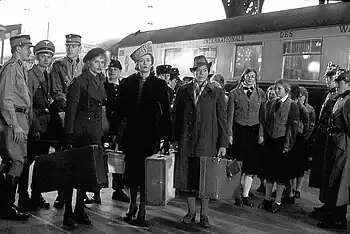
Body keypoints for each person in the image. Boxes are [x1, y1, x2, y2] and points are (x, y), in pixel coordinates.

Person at [116, 41, 172, 227]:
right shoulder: (127, 83)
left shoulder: (159, 84)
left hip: (150, 135)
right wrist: (117, 133)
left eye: (148, 60)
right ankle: (132, 205)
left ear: (152, 63)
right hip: (131, 135)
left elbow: (166, 112)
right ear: (137, 64)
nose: (145, 64)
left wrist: (167, 137)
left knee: (146, 174)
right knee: (132, 172)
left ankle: (142, 208)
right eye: (142, 61)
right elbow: (120, 110)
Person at [173, 55, 228, 228]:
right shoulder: (183, 90)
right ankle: (191, 212)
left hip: (207, 141)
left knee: (205, 178)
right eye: (198, 70)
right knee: (188, 178)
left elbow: (222, 119)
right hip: (187, 141)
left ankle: (204, 214)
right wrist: (174, 139)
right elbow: (177, 117)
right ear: (194, 72)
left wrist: (223, 144)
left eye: (204, 70)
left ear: (209, 72)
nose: (202, 73)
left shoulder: (217, 92)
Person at [62, 48, 108, 228]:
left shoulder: (99, 82)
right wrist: (69, 135)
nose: (100, 65)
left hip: (94, 133)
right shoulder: (79, 82)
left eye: (102, 62)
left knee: (86, 174)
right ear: (88, 63)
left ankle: (80, 209)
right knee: (72, 174)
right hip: (80, 134)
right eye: (96, 62)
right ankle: (68, 211)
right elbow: (71, 111)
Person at [17, 40, 56, 211]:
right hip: (35, 124)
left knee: (40, 161)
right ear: (37, 57)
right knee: (28, 161)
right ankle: (24, 196)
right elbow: (28, 103)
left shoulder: (48, 74)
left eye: (49, 56)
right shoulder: (31, 75)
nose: (46, 59)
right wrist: (35, 127)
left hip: (45, 124)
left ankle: (36, 193)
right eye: (43, 56)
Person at [0, 35, 33, 221]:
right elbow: (6, 99)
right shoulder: (12, 68)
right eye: (27, 47)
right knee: (17, 161)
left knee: (10, 161)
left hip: (20, 117)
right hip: (14, 120)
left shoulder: (20, 68)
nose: (30, 50)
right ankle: (6, 208)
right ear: (18, 48)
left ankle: (4, 204)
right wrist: (16, 125)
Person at [50, 34, 84, 209]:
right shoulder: (58, 65)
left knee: (79, 157)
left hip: (80, 117)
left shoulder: (85, 66)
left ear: (80, 47)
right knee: (62, 155)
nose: (70, 48)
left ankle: (79, 196)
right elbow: (56, 91)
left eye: (74, 45)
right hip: (63, 113)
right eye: (68, 45)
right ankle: (61, 194)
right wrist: (70, 108)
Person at [258, 79, 299, 213]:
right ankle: (267, 199)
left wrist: (287, 145)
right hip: (271, 140)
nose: (276, 91)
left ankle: (278, 201)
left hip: (282, 141)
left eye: (279, 89)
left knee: (280, 174)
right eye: (276, 89)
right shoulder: (272, 103)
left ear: (286, 90)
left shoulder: (292, 106)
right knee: (269, 171)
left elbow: (293, 128)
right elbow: (267, 121)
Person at [227, 68, 265, 207]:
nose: (250, 78)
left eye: (253, 76)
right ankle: (236, 194)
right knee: (238, 163)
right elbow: (229, 116)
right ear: (243, 77)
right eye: (248, 76)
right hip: (238, 130)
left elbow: (262, 117)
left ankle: (246, 195)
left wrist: (261, 134)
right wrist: (229, 134)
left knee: (251, 164)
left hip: (253, 131)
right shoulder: (233, 93)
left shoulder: (260, 94)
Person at [317, 70, 350, 229]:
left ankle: (336, 216)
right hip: (335, 142)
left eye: (340, 82)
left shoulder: (348, 100)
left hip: (342, 144)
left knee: (338, 180)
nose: (336, 85)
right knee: (332, 178)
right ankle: (331, 212)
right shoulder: (340, 98)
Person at [308, 62, 340, 217]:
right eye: (327, 78)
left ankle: (330, 206)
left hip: (331, 136)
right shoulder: (330, 94)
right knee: (323, 170)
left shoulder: (339, 96)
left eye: (331, 77)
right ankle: (325, 203)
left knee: (330, 171)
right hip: (323, 135)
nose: (328, 81)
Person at [103, 59, 129, 203]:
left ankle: (118, 190)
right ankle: (96, 191)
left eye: (115, 69)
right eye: (110, 69)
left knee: (118, 159)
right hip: (105, 126)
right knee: (101, 158)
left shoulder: (124, 87)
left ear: (120, 71)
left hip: (120, 128)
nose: (112, 71)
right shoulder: (102, 85)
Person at [293, 87, 315, 199]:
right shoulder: (293, 106)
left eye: (302, 96)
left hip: (303, 141)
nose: (300, 98)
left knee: (301, 168)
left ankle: (298, 189)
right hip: (294, 139)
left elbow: (311, 126)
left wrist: (305, 137)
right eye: (298, 96)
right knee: (292, 166)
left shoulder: (310, 109)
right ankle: (292, 189)